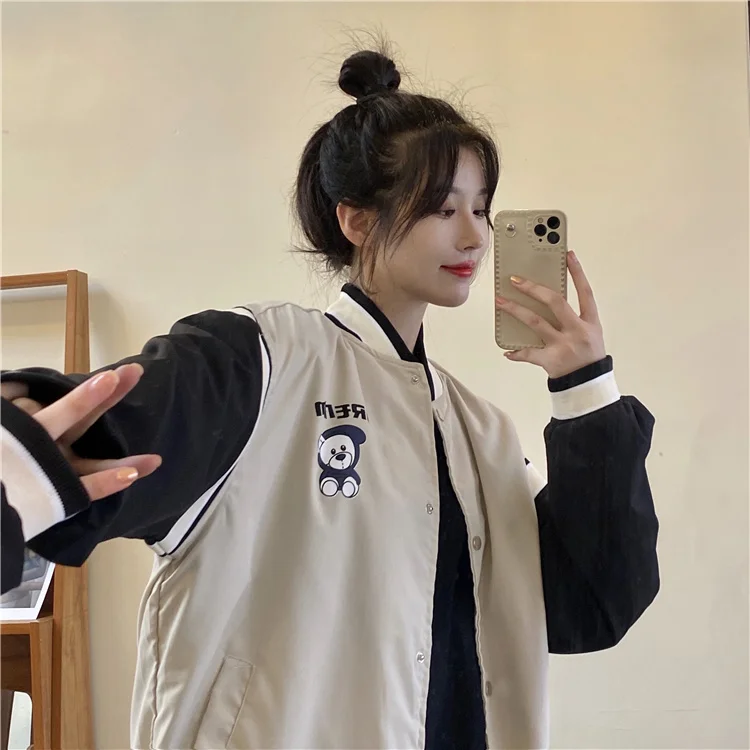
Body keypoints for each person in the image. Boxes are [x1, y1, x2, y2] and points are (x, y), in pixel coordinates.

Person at [0, 49, 659, 749]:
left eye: (481, 209)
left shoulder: (481, 431)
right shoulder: (257, 360)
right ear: (358, 221)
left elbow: (589, 607)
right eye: (443, 209)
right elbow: (71, 449)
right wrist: (22, 451)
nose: (474, 236)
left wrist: (586, 389)